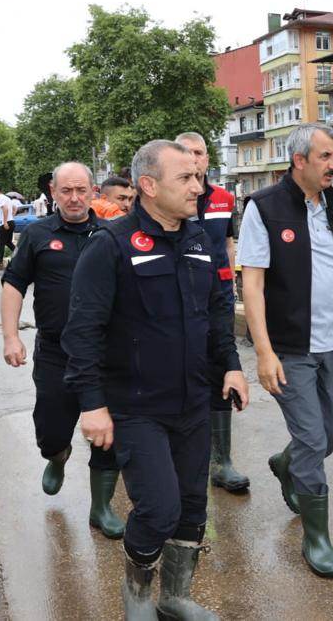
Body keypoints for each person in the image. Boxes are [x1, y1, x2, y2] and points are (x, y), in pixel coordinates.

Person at [62, 140, 247, 619]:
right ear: (148, 185)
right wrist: (91, 404)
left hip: (193, 402)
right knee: (159, 508)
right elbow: (82, 332)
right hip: (134, 405)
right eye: (185, 178)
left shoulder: (200, 240)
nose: (198, 186)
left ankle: (174, 596)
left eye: (198, 176)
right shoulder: (111, 245)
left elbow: (217, 309)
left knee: (191, 508)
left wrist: (230, 364)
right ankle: (138, 598)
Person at [239, 123, 333, 578]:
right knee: (312, 437)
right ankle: (317, 538)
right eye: (326, 157)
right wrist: (264, 352)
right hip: (290, 346)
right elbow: (252, 285)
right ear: (300, 161)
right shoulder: (264, 208)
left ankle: (286, 463)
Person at [0, 162, 124, 539]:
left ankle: (101, 507)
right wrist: (10, 336)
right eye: (66, 191)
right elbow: (13, 285)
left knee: (108, 432)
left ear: (93, 193)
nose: (74, 198)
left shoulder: (112, 234)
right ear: (53, 192)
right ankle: (57, 455)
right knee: (52, 427)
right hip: (56, 351)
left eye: (81, 190)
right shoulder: (37, 235)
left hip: (106, 353)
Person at [175, 131, 249, 493]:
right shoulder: (171, 196)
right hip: (179, 293)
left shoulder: (223, 198)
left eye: (199, 152)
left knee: (223, 366)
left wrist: (232, 282)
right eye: (186, 153)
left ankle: (222, 461)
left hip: (216, 292)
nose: (194, 159)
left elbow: (229, 242)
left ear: (207, 158)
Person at [0, 185, 16, 273]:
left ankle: (0, 263)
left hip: (6, 223)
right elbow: (14, 208)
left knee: (0, 243)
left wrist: (5, 221)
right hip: (11, 222)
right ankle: (20, 253)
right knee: (8, 242)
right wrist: (11, 216)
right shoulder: (6, 198)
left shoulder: (0, 198)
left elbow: (5, 208)